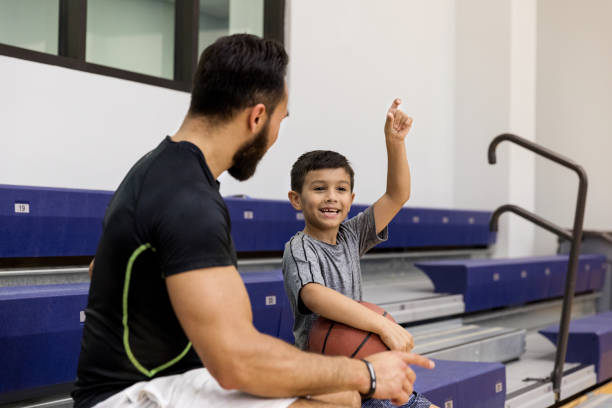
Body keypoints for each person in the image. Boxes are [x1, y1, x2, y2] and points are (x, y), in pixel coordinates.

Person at [72, 34, 434, 408]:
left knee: (342, 396)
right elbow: (238, 361)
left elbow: (99, 268)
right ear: (257, 116)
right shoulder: (188, 200)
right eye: (280, 120)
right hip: (130, 397)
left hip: (161, 381)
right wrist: (368, 373)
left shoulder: (159, 171)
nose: (276, 134)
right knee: (340, 399)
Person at [282, 100, 438, 408]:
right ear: (296, 199)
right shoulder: (299, 247)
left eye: (341, 189)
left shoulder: (352, 234)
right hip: (325, 374)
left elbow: (397, 195)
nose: (331, 197)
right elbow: (314, 295)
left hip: (364, 365)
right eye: (319, 188)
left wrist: (395, 142)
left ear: (351, 199)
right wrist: (382, 325)